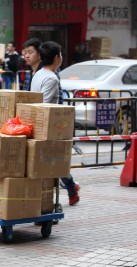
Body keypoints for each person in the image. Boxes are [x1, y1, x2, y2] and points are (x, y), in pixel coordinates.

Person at [27, 40, 80, 206]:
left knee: (55, 163)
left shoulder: (39, 74)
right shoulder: (51, 78)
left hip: (41, 127)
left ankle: (70, 190)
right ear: (57, 58)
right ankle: (62, 194)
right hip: (49, 129)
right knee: (55, 164)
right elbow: (45, 104)